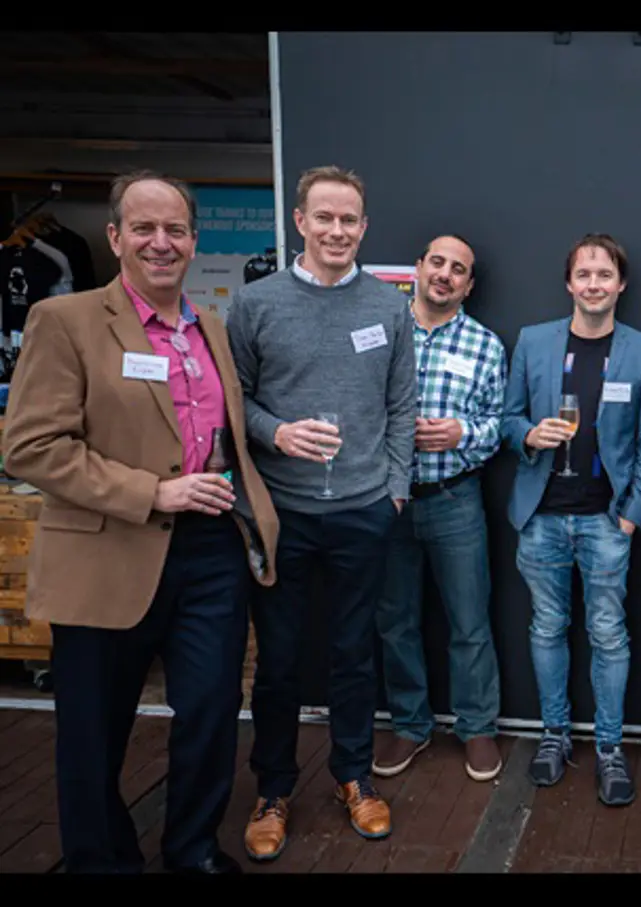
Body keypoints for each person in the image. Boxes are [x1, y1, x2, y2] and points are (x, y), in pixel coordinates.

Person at [1, 171, 280, 874]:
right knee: (94, 729)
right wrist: (153, 490)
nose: (162, 242)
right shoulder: (64, 321)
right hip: (109, 549)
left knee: (212, 713)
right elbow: (31, 445)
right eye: (146, 229)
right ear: (116, 237)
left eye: (176, 230)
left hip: (211, 549)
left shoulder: (209, 325)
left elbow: (223, 434)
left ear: (193, 240)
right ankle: (99, 858)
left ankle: (190, 849)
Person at [226, 165, 416, 861]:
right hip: (282, 513)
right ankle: (272, 789)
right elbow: (232, 400)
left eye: (350, 220)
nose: (337, 231)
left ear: (364, 228)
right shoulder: (256, 304)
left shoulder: (389, 305)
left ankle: (353, 775)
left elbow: (402, 405)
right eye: (324, 218)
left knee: (352, 655)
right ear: (299, 222)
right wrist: (276, 432)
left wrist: (395, 488)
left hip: (365, 508)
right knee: (277, 660)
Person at [501, 233, 641, 807]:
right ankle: (553, 736)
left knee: (607, 634)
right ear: (569, 283)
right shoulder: (533, 341)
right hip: (542, 515)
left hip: (605, 520)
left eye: (604, 275)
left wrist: (632, 516)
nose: (594, 284)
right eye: (584, 275)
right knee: (546, 628)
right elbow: (506, 417)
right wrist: (527, 434)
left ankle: (610, 749)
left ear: (620, 285)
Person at [372, 234, 507, 783]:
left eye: (459, 269)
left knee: (469, 622)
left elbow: (500, 424)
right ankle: (410, 722)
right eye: (438, 263)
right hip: (387, 499)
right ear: (418, 268)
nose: (446, 274)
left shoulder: (486, 345)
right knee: (395, 620)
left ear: (468, 285)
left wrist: (462, 432)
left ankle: (477, 727)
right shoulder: (380, 331)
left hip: (455, 498)